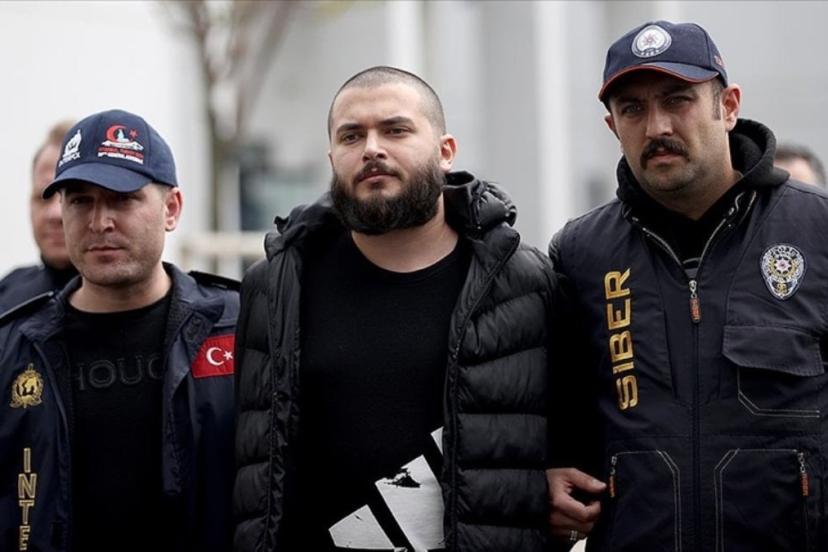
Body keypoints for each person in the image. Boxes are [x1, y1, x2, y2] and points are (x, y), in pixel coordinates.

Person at [233, 66, 555, 551]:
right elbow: (255, 464)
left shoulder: (522, 282)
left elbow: (571, 438)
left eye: (396, 130)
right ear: (333, 158)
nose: (371, 149)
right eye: (351, 136)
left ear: (445, 151)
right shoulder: (275, 287)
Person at [547, 21, 828, 551]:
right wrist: (550, 475)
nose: (657, 127)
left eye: (678, 100)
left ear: (729, 106)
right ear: (612, 126)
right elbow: (562, 422)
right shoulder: (580, 254)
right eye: (633, 109)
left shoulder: (817, 231)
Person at [0, 109, 239, 552]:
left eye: (122, 199)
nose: (99, 222)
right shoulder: (14, 347)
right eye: (80, 201)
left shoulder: (236, 329)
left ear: (171, 209)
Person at [0, 121, 78, 312]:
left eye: (74, 199)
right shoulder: (8, 292)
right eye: (43, 197)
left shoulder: (127, 300)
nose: (55, 214)